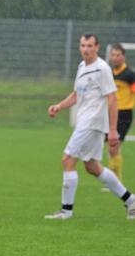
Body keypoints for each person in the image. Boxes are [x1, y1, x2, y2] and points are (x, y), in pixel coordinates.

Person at [45, 33, 135, 220]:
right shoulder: (82, 66)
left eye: (89, 46)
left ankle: (66, 211)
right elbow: (77, 94)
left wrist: (112, 130)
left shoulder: (102, 69)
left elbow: (112, 98)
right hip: (85, 121)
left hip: (92, 123)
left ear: (97, 47)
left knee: (67, 160)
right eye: (83, 45)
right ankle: (131, 200)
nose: (85, 49)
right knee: (92, 167)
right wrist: (60, 106)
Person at [107, 43, 135, 182]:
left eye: (118, 55)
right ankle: (113, 179)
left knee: (114, 146)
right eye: (113, 55)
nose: (115, 58)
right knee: (111, 147)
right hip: (111, 114)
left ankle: (115, 180)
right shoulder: (110, 74)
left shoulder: (130, 74)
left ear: (123, 56)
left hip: (124, 114)